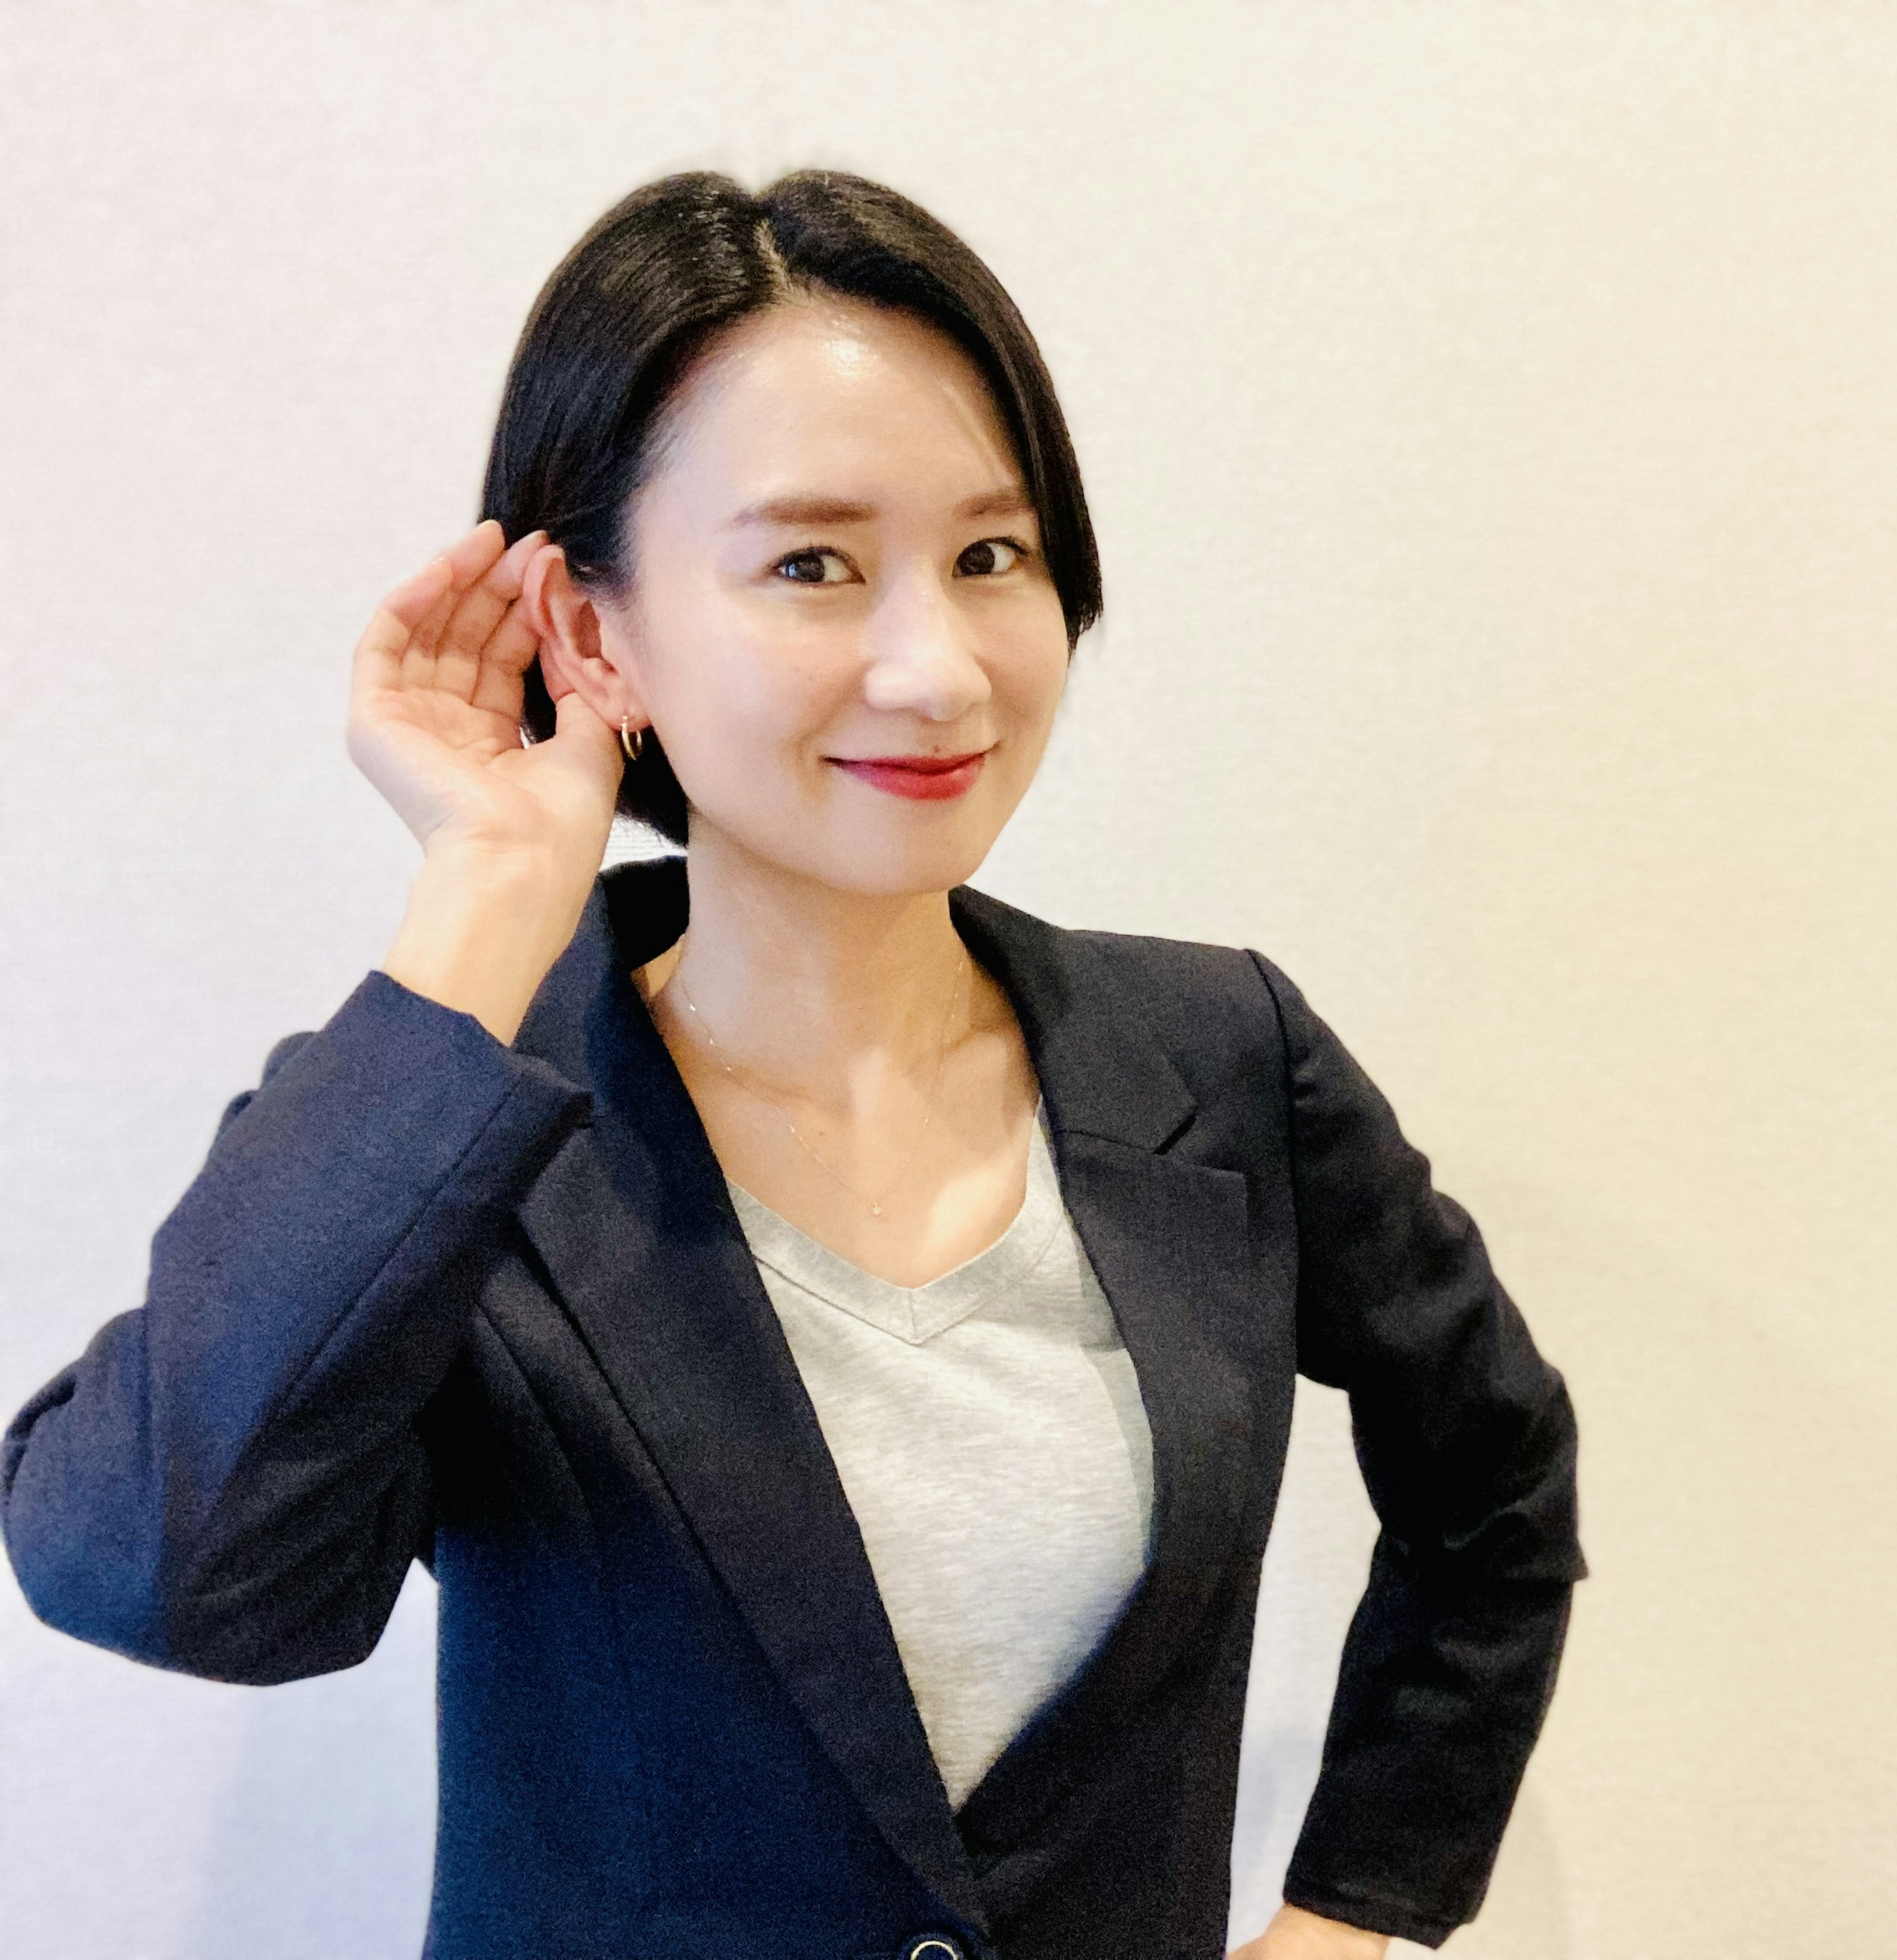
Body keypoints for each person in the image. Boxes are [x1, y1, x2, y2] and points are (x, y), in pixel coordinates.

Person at [0, 170, 1584, 1960]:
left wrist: (1351, 1916)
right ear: (595, 633)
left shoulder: (1224, 1064)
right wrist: (494, 889)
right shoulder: (450, 1128)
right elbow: (154, 1570)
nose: (938, 669)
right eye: (813, 565)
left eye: (994, 557)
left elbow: (1497, 1500)